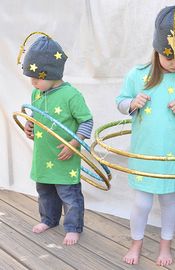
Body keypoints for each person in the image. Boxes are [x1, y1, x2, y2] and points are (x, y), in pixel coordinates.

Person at [116, 5, 175, 267]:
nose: (174, 63)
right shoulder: (137, 75)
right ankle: (136, 243)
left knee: (169, 202)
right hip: (145, 154)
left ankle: (166, 245)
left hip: (172, 158)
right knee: (143, 203)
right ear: (156, 49)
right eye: (168, 57)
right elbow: (120, 101)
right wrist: (132, 103)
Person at [21, 34, 93, 245]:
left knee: (69, 195)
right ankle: (49, 219)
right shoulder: (37, 94)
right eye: (30, 78)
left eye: (37, 78)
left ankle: (72, 227)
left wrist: (75, 142)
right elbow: (35, 115)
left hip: (64, 158)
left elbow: (86, 121)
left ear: (52, 72)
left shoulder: (72, 96)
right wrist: (29, 125)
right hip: (43, 157)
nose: (33, 83)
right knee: (44, 191)